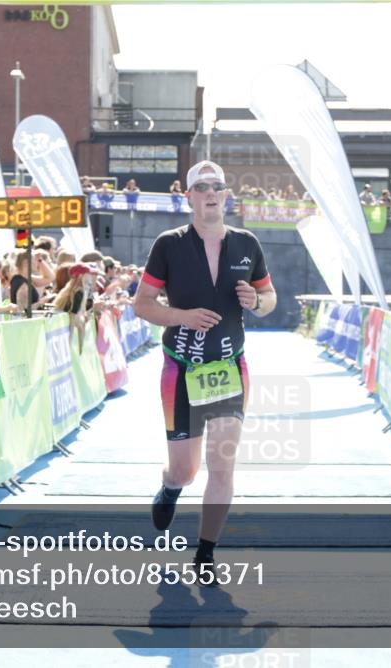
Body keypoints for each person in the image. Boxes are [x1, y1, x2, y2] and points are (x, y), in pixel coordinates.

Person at [134, 160, 276, 580]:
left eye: (217, 186)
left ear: (226, 195)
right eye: (202, 187)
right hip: (181, 371)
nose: (211, 193)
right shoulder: (169, 244)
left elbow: (269, 298)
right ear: (190, 197)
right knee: (187, 469)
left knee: (222, 465)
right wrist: (182, 316)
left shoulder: (247, 244)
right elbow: (142, 305)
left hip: (231, 368)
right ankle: (171, 487)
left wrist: (257, 301)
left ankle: (205, 554)